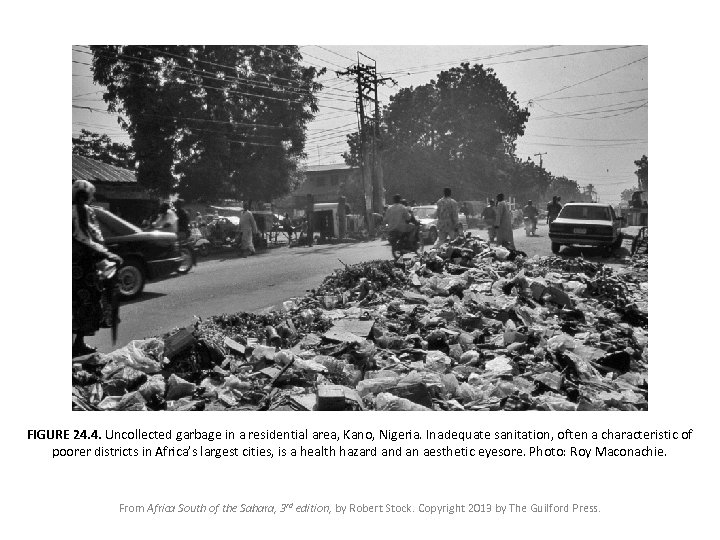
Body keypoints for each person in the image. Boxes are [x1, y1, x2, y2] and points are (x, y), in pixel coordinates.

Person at [72, 180, 123, 357]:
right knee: (87, 302)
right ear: (88, 196)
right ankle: (78, 343)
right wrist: (109, 255)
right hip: (84, 267)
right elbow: (88, 239)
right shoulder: (84, 211)